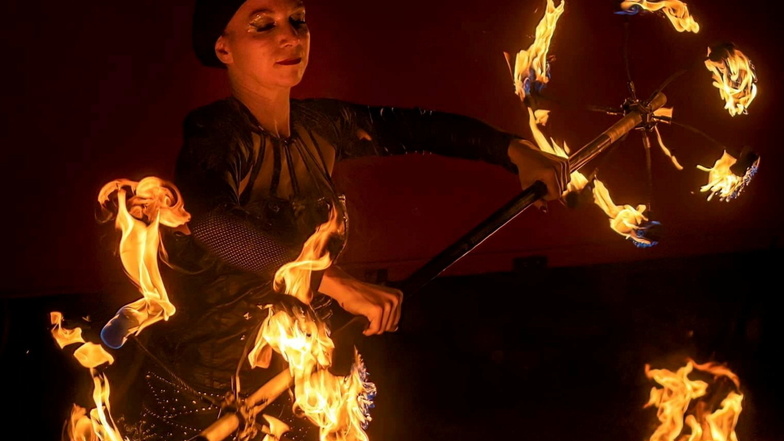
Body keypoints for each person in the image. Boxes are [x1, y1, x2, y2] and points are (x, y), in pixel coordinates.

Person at [106, 0, 570, 440]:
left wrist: (515, 151)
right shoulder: (214, 135)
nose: (289, 37)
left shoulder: (321, 126)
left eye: (298, 20)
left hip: (300, 385)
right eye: (263, 25)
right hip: (198, 400)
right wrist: (339, 283)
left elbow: (419, 127)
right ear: (224, 48)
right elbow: (213, 225)